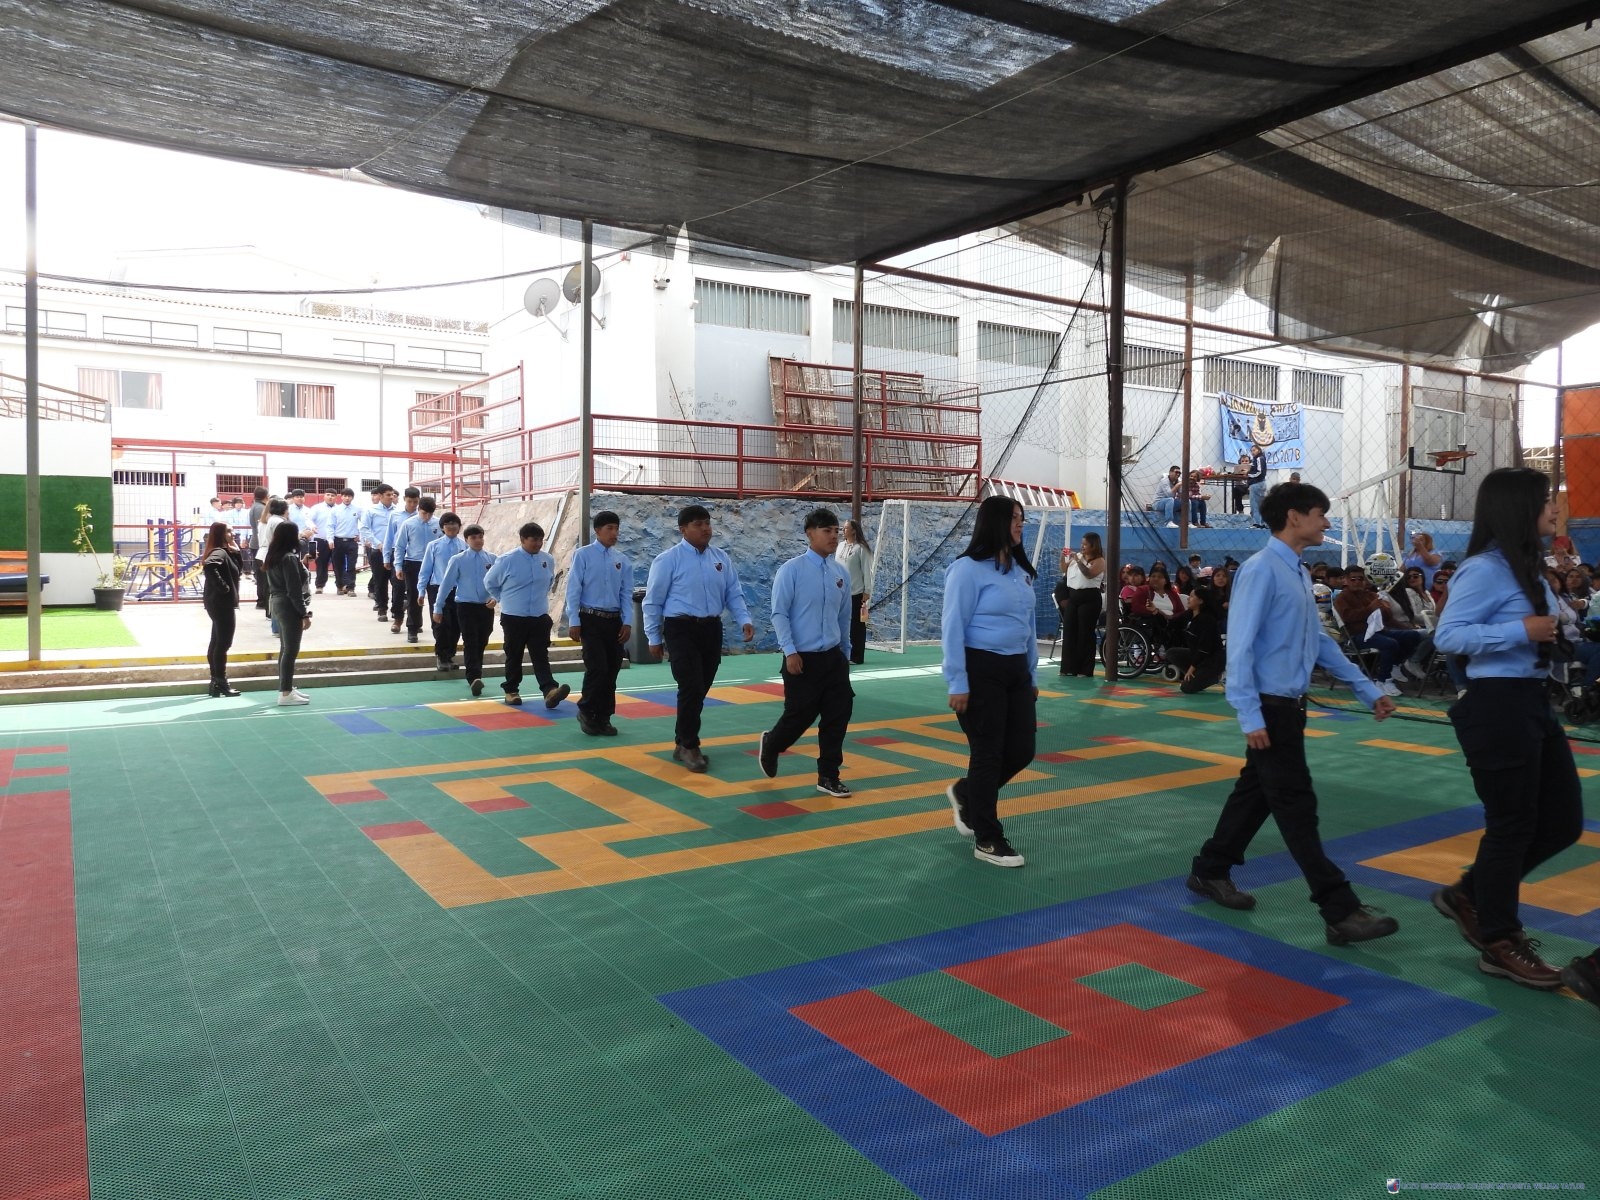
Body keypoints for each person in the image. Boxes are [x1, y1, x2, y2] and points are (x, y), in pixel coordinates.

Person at [1186, 481, 1401, 945]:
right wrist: (1249, 714)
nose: (1326, 522)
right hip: (1270, 708)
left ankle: (1210, 868)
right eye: (1321, 514)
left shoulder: (1297, 572)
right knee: (1296, 805)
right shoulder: (1261, 570)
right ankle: (1339, 909)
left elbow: (1317, 641)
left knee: (1257, 794)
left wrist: (1366, 689)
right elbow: (1239, 645)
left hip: (1288, 708)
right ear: (1295, 517)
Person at [1433, 467, 1583, 989]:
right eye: (1545, 501)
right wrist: (1518, 630)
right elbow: (1448, 636)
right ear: (1518, 508)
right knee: (1512, 825)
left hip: (1531, 702)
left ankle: (1470, 894)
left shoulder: (1527, 568)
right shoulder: (1484, 570)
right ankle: (1499, 940)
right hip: (1498, 703)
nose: (1554, 508)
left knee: (1562, 822)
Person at [943, 496, 1038, 868]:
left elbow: (1027, 628)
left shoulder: (1020, 571)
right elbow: (953, 626)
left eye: (1021, 518)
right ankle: (987, 838)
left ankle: (967, 793)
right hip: (980, 669)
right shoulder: (967, 570)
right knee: (988, 754)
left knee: (1022, 750)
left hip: (1016, 670)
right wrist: (957, 681)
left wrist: (1031, 673)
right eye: (1014, 518)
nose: (1020, 524)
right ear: (994, 522)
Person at [643, 504, 755, 774]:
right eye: (698, 524)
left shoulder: (721, 559)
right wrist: (653, 637)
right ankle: (690, 745)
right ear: (683, 530)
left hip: (711, 629)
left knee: (701, 687)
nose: (705, 529)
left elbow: (733, 592)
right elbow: (653, 601)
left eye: (707, 523)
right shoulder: (668, 560)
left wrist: (744, 619)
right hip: (680, 628)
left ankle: (681, 740)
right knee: (691, 686)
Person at [758, 508, 855, 797]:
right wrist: (790, 652)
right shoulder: (792, 570)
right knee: (799, 717)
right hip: (802, 658)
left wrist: (845, 652)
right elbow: (779, 613)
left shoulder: (840, 573)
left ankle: (828, 776)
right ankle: (773, 743)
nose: (834, 536)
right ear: (810, 534)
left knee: (838, 716)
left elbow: (844, 617)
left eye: (836, 531)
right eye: (827, 531)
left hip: (833, 658)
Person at [486, 521, 571, 709]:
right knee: (514, 654)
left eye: (541, 540)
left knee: (540, 654)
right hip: (514, 617)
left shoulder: (547, 559)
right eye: (534, 540)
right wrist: (503, 598)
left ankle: (550, 691)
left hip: (539, 616)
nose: (538, 543)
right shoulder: (507, 560)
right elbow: (490, 582)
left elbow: (549, 582)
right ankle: (511, 690)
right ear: (523, 539)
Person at [565, 510, 633, 736]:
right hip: (590, 619)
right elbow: (574, 588)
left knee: (612, 670)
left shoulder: (622, 560)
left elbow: (626, 593)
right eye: (609, 528)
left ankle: (604, 717)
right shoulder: (582, 555)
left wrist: (627, 622)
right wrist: (574, 620)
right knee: (598, 668)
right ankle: (586, 711)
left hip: (614, 621)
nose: (614, 533)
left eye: (616, 528)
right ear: (597, 531)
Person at [1333, 564, 1424, 695]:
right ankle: (1383, 680)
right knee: (1390, 644)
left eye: (1360, 579)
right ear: (1346, 580)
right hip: (1357, 635)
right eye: (1353, 579)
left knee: (1413, 636)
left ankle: (1395, 665)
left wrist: (1385, 609)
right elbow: (1348, 617)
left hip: (1379, 631)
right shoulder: (1342, 598)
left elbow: (1387, 619)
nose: (1357, 582)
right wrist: (1370, 608)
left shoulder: (1371, 595)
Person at [434, 524, 496, 697]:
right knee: (470, 640)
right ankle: (474, 677)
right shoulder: (458, 560)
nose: (478, 540)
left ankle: (477, 671)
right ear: (467, 540)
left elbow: (498, 583)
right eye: (473, 538)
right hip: (465, 605)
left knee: (482, 640)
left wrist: (495, 598)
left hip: (486, 606)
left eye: (480, 537)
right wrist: (438, 607)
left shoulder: (492, 559)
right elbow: (446, 584)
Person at [262, 520, 312, 706]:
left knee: (285, 648)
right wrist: (304, 614)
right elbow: (294, 590)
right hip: (288, 604)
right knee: (291, 650)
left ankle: (286, 687)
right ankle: (285, 693)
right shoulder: (289, 558)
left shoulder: (273, 556)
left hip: (276, 602)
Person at [418, 512, 466, 670]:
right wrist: (421, 591)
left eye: (454, 523)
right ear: (442, 527)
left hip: (458, 590)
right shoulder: (434, 546)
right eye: (447, 524)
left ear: (459, 527)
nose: (451, 526)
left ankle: (450, 655)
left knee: (456, 624)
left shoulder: (464, 546)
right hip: (437, 588)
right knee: (441, 623)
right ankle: (441, 656)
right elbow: (425, 570)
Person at [200, 521, 243, 697]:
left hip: (217, 602)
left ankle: (216, 681)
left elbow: (238, 570)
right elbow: (210, 566)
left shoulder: (225, 551)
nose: (232, 534)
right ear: (220, 534)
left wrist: (237, 552)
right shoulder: (219, 552)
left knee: (217, 641)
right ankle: (220, 682)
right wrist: (223, 588)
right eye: (228, 531)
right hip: (221, 603)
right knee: (223, 643)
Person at [393, 495, 441, 644]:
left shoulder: (439, 524)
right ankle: (413, 629)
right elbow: (400, 546)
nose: (427, 517)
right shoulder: (408, 524)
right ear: (419, 509)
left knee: (435, 598)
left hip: (434, 566)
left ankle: (438, 632)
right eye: (424, 513)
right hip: (414, 564)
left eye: (430, 514)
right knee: (414, 597)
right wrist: (398, 566)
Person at [1059, 532, 1105, 677]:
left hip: (1089, 598)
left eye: (1085, 544)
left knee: (1085, 633)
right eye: (1081, 544)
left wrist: (1079, 561)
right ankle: (1068, 667)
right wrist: (1063, 557)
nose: (1082, 546)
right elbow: (1064, 570)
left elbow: (1089, 574)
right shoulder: (1078, 556)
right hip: (1074, 597)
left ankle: (1085, 669)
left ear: (1093, 545)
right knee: (1069, 631)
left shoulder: (1099, 561)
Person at [1167, 582, 1226, 694]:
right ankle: (1198, 676)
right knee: (1172, 653)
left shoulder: (1207, 620)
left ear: (1200, 601)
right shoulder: (1189, 614)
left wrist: (1191, 668)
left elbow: (1204, 649)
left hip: (1213, 659)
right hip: (1197, 655)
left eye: (1192, 596)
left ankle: (1217, 676)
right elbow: (1172, 623)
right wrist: (1155, 611)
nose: (1188, 598)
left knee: (1186, 688)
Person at [383, 487, 422, 633]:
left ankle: (414, 621)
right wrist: (386, 557)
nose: (412, 504)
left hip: (416, 556)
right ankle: (398, 618)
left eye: (415, 502)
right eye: (410, 501)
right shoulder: (395, 515)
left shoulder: (422, 516)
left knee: (415, 590)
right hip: (399, 553)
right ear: (404, 499)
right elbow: (389, 537)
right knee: (398, 587)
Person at [838, 518, 875, 665]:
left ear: (853, 530)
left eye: (846, 528)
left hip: (856, 592)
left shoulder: (861, 548)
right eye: (843, 527)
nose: (843, 530)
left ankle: (856, 656)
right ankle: (840, 654)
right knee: (840, 623)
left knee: (857, 625)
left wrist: (867, 590)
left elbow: (867, 570)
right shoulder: (840, 546)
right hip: (840, 592)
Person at [360, 483, 399, 619]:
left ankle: (396, 609)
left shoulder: (398, 512)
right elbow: (364, 529)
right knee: (380, 581)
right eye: (388, 495)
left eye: (392, 495)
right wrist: (378, 543)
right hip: (378, 551)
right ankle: (382, 609)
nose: (391, 497)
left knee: (397, 581)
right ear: (380, 496)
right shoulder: (371, 511)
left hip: (395, 551)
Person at [328, 487, 362, 595]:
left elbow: (364, 524)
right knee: (338, 565)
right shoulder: (335, 510)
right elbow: (330, 526)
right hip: (338, 541)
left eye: (349, 496)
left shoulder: (357, 509)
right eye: (345, 496)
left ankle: (351, 588)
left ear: (352, 497)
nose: (347, 498)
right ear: (341, 497)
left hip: (352, 541)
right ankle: (340, 586)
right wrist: (330, 539)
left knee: (351, 565)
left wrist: (360, 535)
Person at [1246, 443, 1269, 527]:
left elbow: (1259, 472)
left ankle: (1256, 522)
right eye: (1251, 451)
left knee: (1254, 504)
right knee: (1261, 504)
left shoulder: (1259, 458)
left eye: (1254, 450)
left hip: (1257, 483)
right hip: (1260, 483)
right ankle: (1263, 523)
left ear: (1259, 450)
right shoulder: (1257, 459)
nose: (1252, 452)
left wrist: (1248, 474)